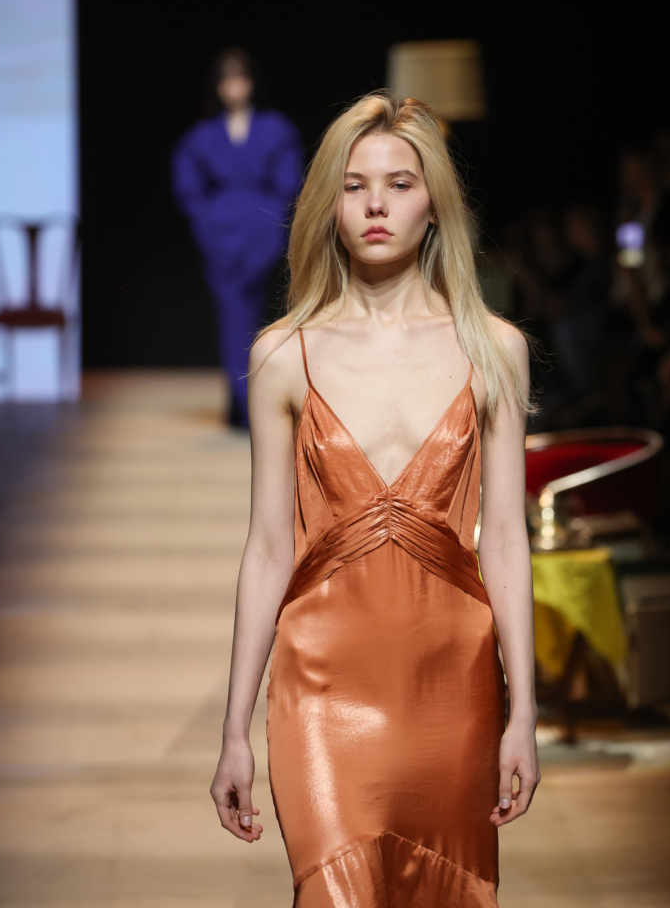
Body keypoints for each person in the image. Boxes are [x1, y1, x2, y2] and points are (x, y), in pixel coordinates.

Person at [210, 92, 539, 905]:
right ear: (329, 206)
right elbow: (267, 547)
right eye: (354, 187)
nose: (376, 206)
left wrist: (523, 713)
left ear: (434, 204)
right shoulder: (283, 355)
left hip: (452, 682)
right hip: (320, 686)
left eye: (399, 184)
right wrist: (233, 730)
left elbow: (504, 538)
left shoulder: (494, 350)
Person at [172, 48, 303, 427]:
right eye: (226, 78)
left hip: (264, 234)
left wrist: (276, 222)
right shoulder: (203, 135)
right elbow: (187, 185)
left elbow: (289, 182)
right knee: (234, 321)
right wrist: (205, 220)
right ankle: (247, 407)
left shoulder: (275, 128)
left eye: (240, 77)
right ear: (217, 85)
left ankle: (244, 403)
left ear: (252, 81)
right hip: (221, 236)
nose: (234, 86)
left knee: (262, 320)